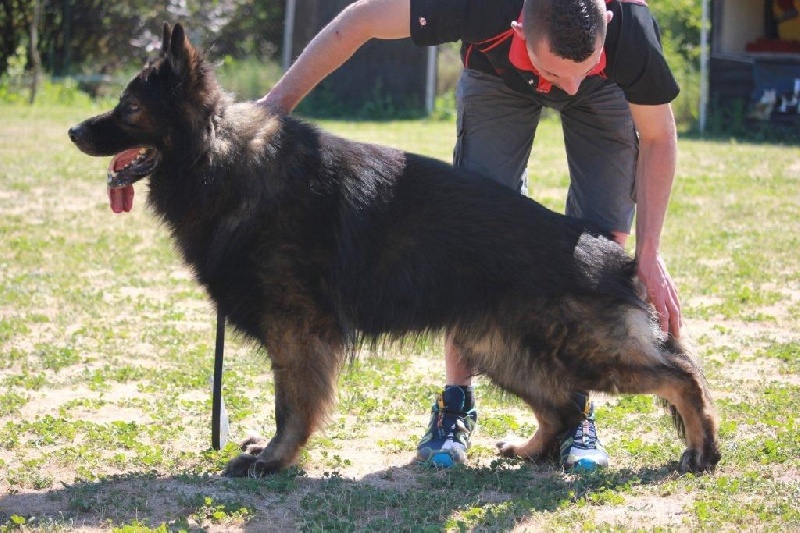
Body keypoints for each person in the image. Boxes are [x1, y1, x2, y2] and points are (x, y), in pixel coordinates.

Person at [111, 0, 683, 472]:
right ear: (517, 28)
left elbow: (656, 140)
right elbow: (356, 23)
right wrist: (275, 107)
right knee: (471, 238)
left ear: (605, 23)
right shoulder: (476, 8)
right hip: (498, 81)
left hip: (610, 86)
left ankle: (574, 418)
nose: (567, 88)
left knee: (598, 241)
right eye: (558, 73)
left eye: (582, 68)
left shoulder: (626, 33)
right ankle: (456, 403)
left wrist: (649, 253)